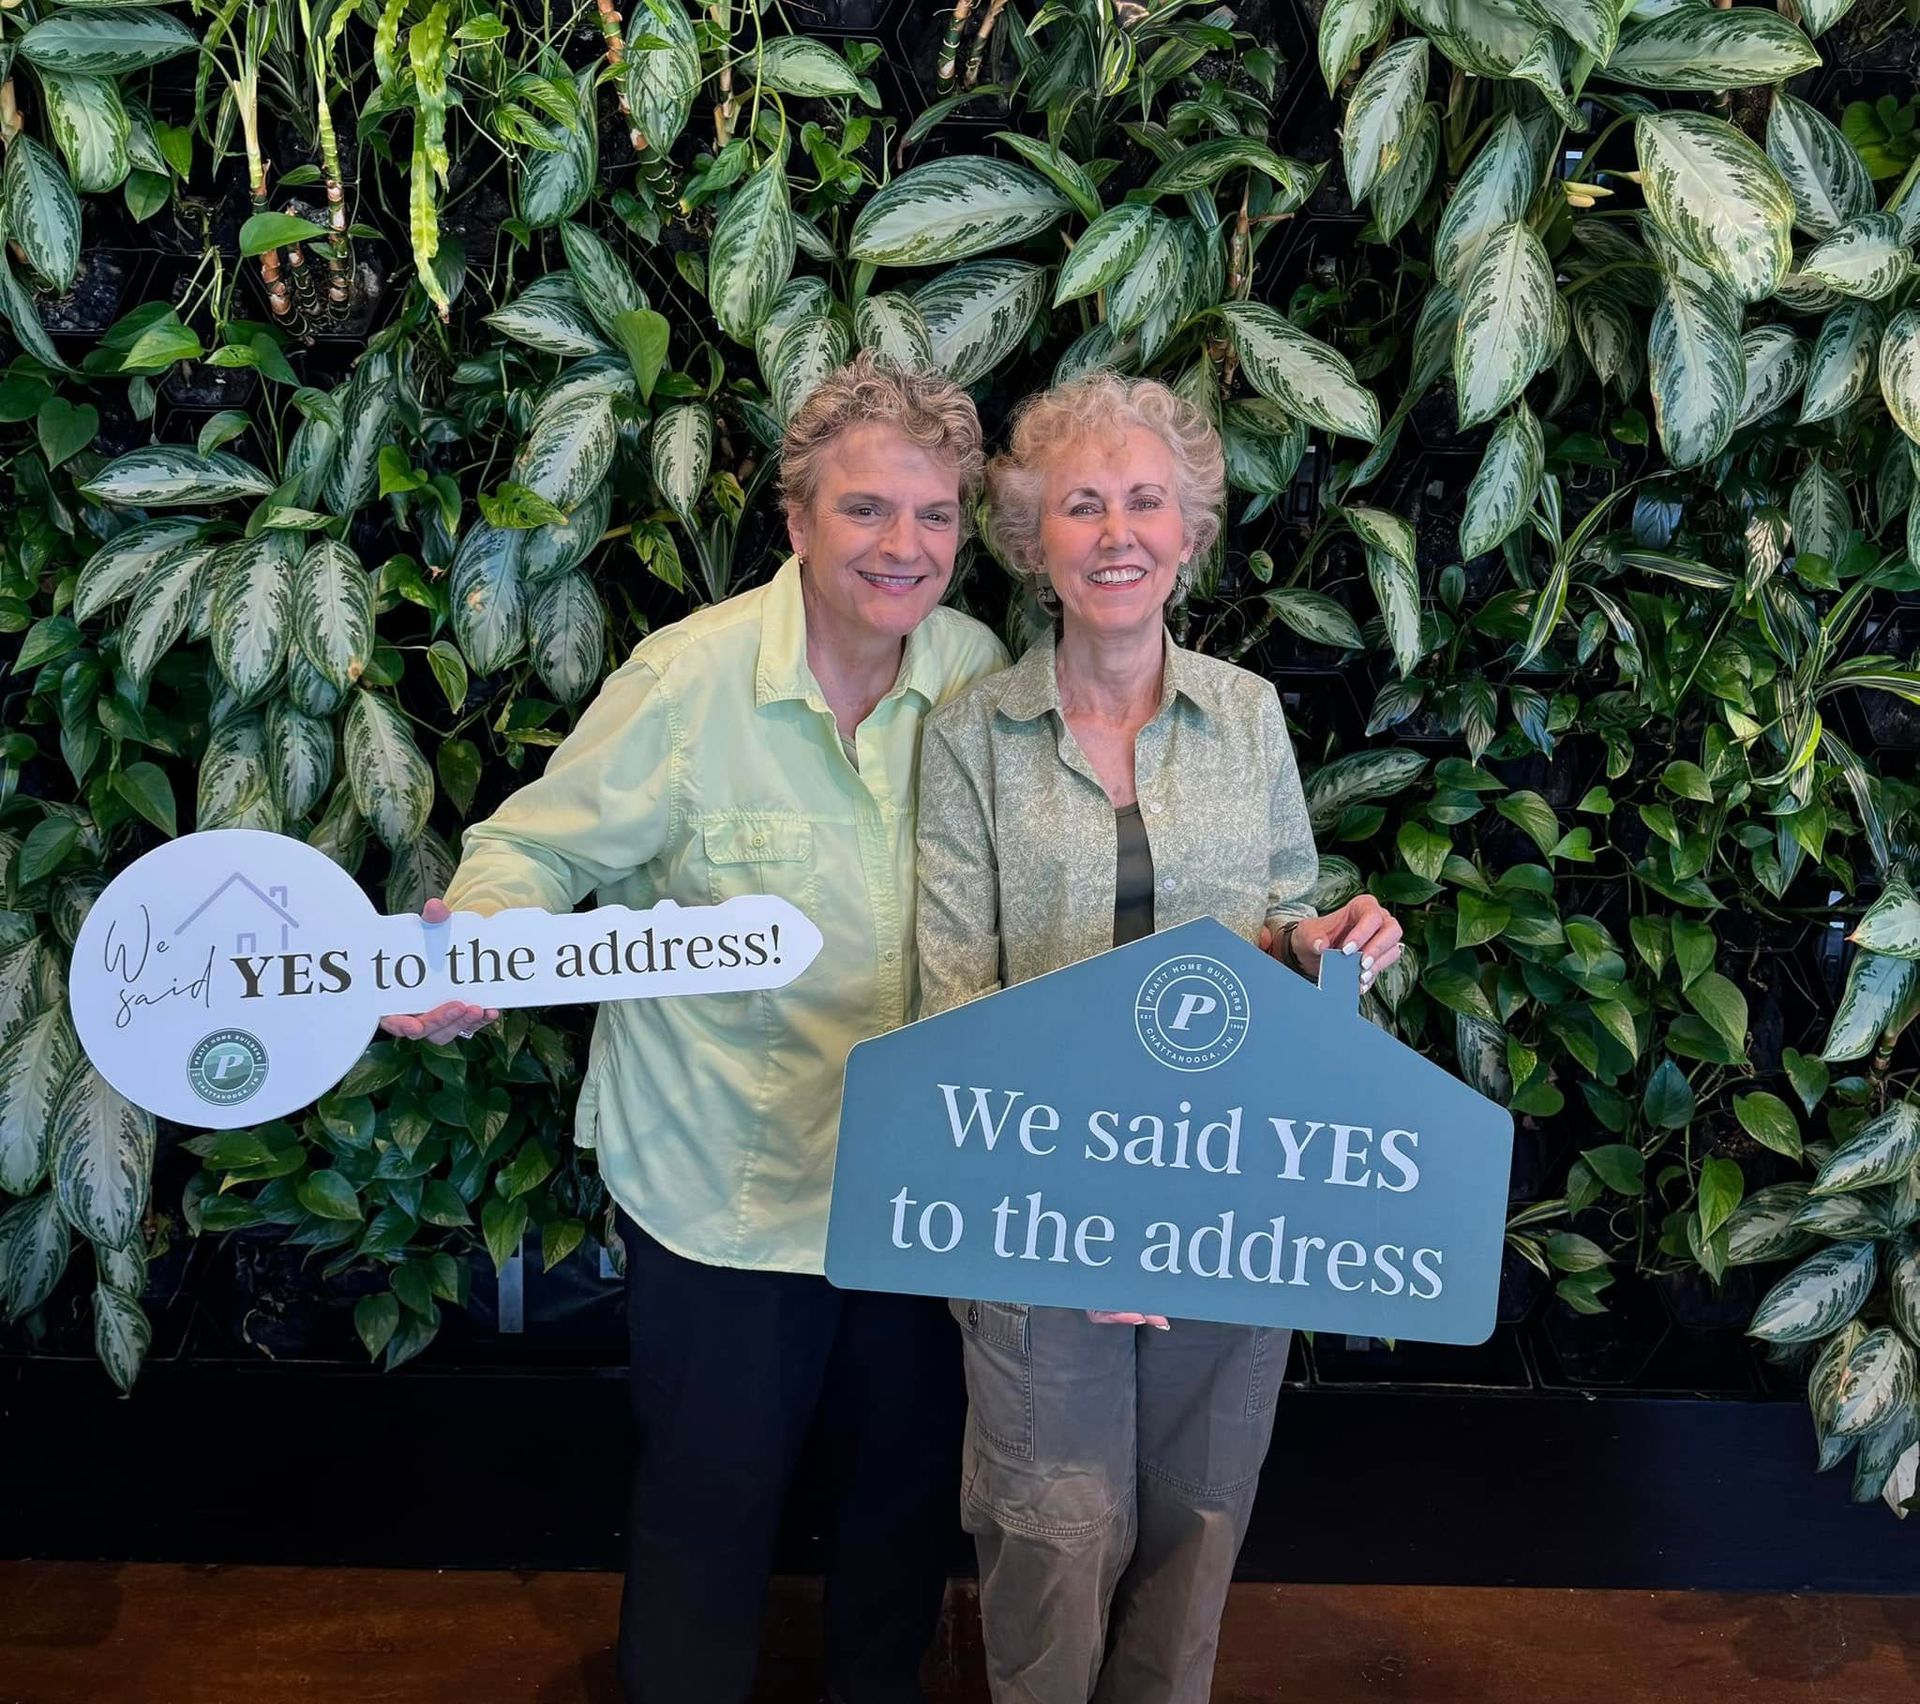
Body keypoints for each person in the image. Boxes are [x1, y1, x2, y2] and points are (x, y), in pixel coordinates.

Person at [379, 352, 1009, 1704]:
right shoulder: (686, 680)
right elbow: (529, 856)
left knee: (906, 1514)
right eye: (865, 510)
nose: (904, 548)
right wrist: (481, 937)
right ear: (795, 519)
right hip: (727, 1188)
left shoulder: (975, 672)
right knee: (706, 1520)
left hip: (918, 1192)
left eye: (935, 516)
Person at [915, 372, 1404, 1703]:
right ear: (1033, 543)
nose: (1118, 531)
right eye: (1082, 504)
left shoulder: (1247, 716)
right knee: (1052, 1543)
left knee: (1198, 1525)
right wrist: (1086, 1216)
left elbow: (1286, 920)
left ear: (1189, 531)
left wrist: (1327, 947)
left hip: (1226, 1200)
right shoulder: (972, 739)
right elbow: (953, 1002)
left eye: (1147, 501)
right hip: (1037, 1213)